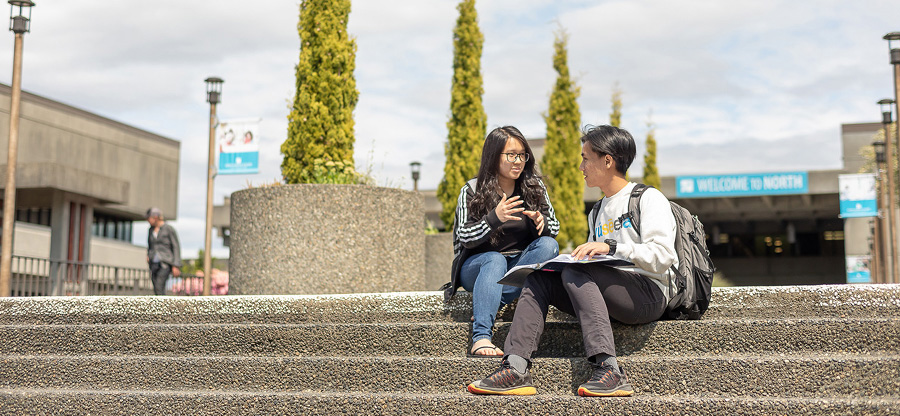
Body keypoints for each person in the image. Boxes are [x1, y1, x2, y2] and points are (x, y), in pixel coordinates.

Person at [467, 125, 677, 396]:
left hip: (648, 294)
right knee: (540, 278)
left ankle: (610, 370)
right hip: (608, 291)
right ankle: (515, 368)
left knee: (576, 274)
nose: (581, 166)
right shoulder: (598, 210)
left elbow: (662, 257)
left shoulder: (648, 198)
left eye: (586, 158)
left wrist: (611, 247)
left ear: (608, 161)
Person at [445, 126, 560, 358]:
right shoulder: (472, 190)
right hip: (477, 267)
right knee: (494, 260)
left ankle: (492, 300)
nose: (517, 161)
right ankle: (481, 338)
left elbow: (555, 228)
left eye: (522, 155)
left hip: (518, 266)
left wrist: (542, 222)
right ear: (493, 155)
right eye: (511, 154)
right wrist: (493, 219)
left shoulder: (534, 188)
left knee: (549, 246)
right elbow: (464, 238)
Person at [146, 207, 183, 296]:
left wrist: (176, 265)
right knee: (155, 285)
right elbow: (150, 244)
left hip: (165, 262)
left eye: (149, 218)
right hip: (153, 262)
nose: (148, 221)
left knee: (159, 284)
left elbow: (176, 246)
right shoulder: (150, 230)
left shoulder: (168, 229)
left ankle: (161, 306)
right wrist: (148, 255)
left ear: (155, 217)